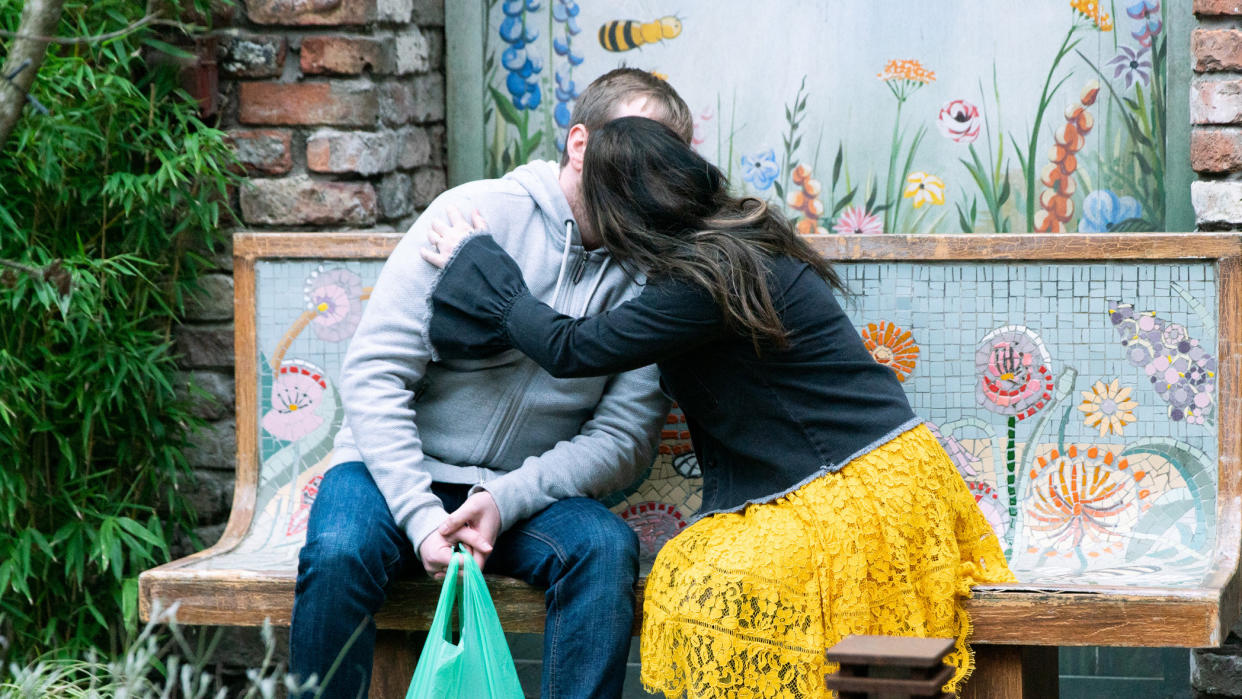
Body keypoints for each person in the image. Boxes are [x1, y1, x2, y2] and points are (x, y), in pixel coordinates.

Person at [421, 116, 1018, 697]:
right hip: (879, 476)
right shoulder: (735, 239)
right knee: (791, 612)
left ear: (623, 213)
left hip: (849, 492)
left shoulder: (702, 279)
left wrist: (479, 262)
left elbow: (572, 348)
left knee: (711, 587)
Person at [290, 71, 694, 699]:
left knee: (603, 547)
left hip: (522, 498)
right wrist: (422, 516)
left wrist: (506, 499)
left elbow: (624, 437)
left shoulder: (655, 276)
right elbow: (376, 374)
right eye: (635, 145)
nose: (649, 174)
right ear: (581, 144)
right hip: (394, 473)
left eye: (666, 158)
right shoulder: (474, 214)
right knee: (339, 552)